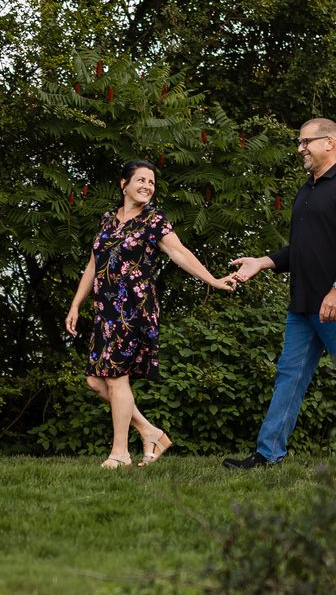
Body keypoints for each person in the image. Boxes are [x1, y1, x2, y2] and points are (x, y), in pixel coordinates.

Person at [225, 118, 336, 468]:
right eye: (299, 142)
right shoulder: (307, 190)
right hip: (303, 305)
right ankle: (268, 454)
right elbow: (301, 251)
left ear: (330, 142)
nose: (300, 148)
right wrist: (262, 261)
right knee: (289, 377)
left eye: (306, 142)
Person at [65, 159, 239, 468]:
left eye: (152, 182)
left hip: (133, 309)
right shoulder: (108, 220)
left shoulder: (154, 219)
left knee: (117, 379)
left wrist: (212, 279)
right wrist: (76, 304)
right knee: (95, 381)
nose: (147, 186)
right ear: (124, 184)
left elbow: (179, 252)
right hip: (105, 309)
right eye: (141, 180)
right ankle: (151, 431)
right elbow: (93, 265)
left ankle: (120, 453)